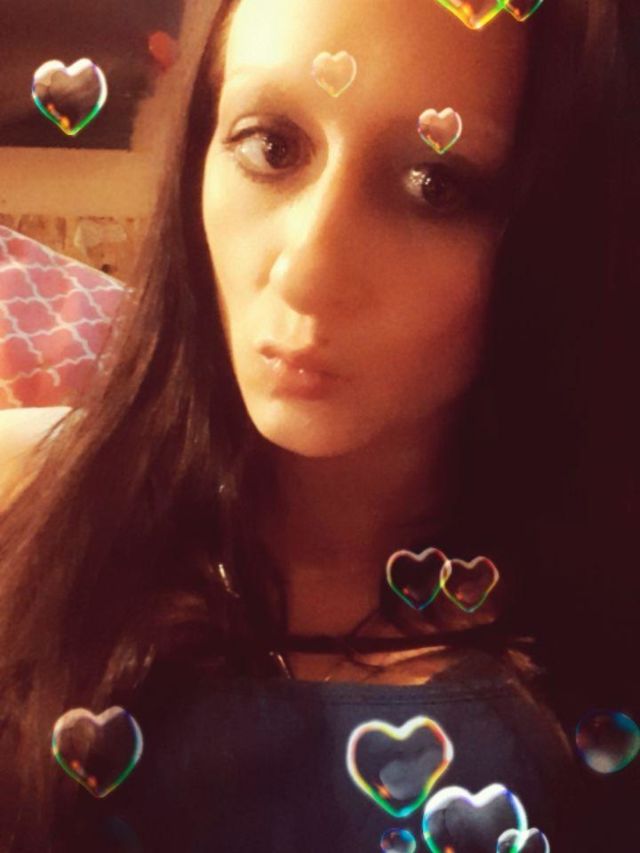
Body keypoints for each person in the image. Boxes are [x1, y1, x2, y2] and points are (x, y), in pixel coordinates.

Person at [0, 0, 637, 849]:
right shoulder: (35, 525)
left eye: (434, 185)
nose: (307, 270)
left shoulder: (595, 644)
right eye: (270, 146)